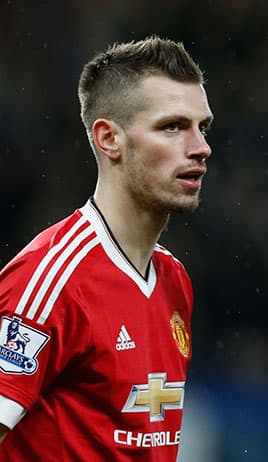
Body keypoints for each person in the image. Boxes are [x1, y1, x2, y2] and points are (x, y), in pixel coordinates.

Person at [0, 37, 210, 460]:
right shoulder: (50, 281)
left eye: (201, 127)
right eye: (172, 126)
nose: (201, 148)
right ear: (109, 139)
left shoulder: (174, 280)